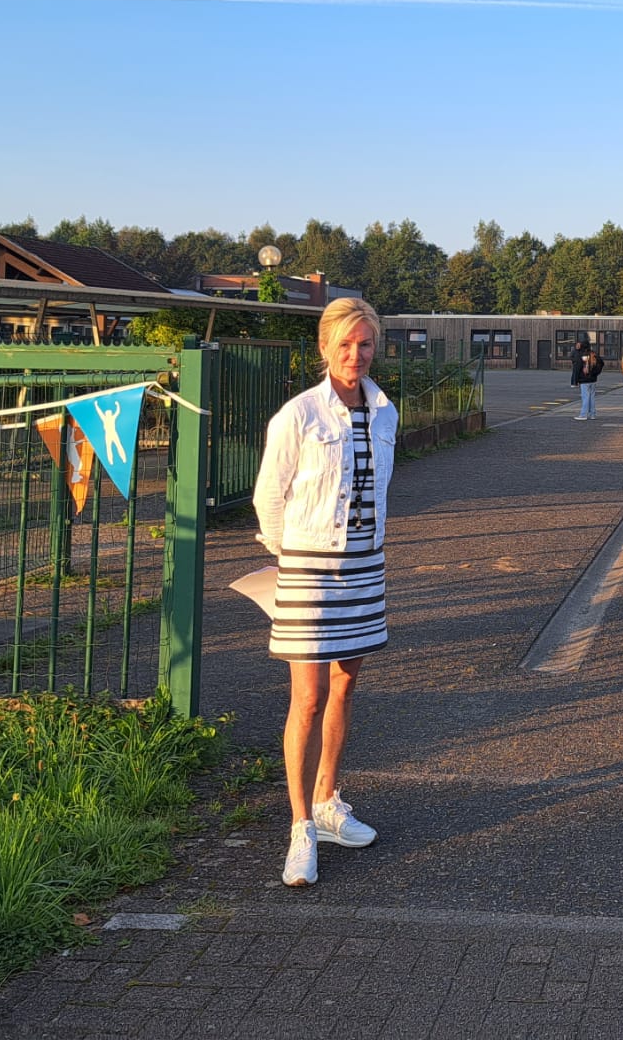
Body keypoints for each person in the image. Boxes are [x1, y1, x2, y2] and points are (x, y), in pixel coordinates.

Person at [251, 296, 396, 890]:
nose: (355, 355)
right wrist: (297, 558)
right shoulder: (298, 415)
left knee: (345, 682)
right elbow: (268, 498)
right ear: (324, 346)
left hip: (364, 565)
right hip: (308, 566)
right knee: (306, 697)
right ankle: (300, 826)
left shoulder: (386, 410)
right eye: (345, 344)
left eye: (365, 344)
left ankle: (330, 800)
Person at [570, 336, 604, 420]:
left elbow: (577, 368)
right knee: (591, 397)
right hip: (593, 379)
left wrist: (575, 381)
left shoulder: (581, 355)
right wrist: (596, 373)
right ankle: (592, 414)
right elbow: (601, 363)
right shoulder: (593, 354)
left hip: (584, 379)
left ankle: (583, 414)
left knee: (585, 397)